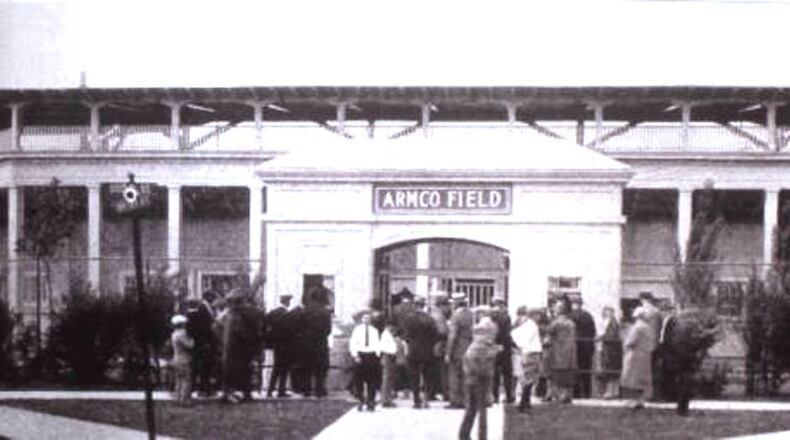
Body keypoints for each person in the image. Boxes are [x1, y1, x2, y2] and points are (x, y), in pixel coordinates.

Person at [459, 306, 501, 440]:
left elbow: (468, 361)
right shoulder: (487, 343)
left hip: (472, 376)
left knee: (471, 407)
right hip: (482, 376)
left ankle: (464, 434)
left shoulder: (473, 347)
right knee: (482, 408)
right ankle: (482, 436)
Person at [403, 296, 439, 409]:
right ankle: (426, 399)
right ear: (424, 305)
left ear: (414, 305)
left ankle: (416, 400)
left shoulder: (409, 318)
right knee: (428, 376)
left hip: (413, 350)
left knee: (414, 376)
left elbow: (406, 334)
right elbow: (435, 335)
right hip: (427, 351)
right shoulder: (430, 319)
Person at [620, 307, 656, 410]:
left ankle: (633, 400)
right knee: (642, 378)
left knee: (632, 377)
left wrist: (625, 342)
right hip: (645, 355)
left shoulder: (637, 328)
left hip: (634, 355)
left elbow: (630, 341)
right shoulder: (648, 328)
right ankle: (641, 399)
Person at [301, 287, 333, 397]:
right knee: (320, 368)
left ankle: (306, 390)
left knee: (306, 368)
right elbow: (328, 330)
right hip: (320, 343)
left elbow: (299, 327)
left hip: (306, 344)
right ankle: (319, 390)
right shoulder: (325, 312)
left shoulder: (304, 311)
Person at [510, 306, 543, 413]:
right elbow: (524, 339)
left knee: (529, 378)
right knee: (529, 379)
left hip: (527, 352)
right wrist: (522, 345)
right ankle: (523, 404)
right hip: (532, 352)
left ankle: (526, 403)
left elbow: (514, 333)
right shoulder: (532, 326)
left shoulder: (527, 325)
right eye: (538, 315)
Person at [445, 292, 474, 409]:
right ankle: (466, 400)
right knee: (466, 375)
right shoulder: (470, 314)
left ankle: (455, 401)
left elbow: (453, 335)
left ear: (456, 303)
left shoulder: (456, 316)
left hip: (457, 350)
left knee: (454, 375)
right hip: (468, 348)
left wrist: (448, 352)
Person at [186, 290, 217, 398]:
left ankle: (204, 388)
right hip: (204, 343)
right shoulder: (203, 310)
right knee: (204, 367)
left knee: (205, 367)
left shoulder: (204, 308)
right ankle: (203, 389)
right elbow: (204, 327)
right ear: (210, 298)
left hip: (204, 342)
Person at [349, 310, 382, 411]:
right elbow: (353, 343)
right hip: (361, 354)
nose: (366, 320)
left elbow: (377, 343)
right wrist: (355, 356)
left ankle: (371, 401)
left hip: (371, 355)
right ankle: (360, 399)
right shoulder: (357, 330)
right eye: (364, 318)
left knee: (371, 380)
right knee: (359, 379)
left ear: (370, 320)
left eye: (368, 318)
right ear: (361, 320)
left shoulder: (374, 331)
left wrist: (377, 355)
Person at [546, 297, 577, 404]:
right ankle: (567, 395)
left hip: (558, 351)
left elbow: (548, 334)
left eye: (557, 307)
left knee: (558, 374)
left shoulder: (556, 323)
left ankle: (559, 395)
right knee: (568, 374)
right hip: (570, 352)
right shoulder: (571, 323)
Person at [265, 294, 294, 398]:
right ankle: (281, 390)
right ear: (287, 302)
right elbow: (290, 330)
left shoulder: (273, 312)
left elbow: (265, 324)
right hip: (286, 344)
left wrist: (270, 337)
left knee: (276, 368)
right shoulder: (287, 314)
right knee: (284, 368)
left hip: (276, 344)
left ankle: (270, 390)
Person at [637, 291, 663, 399]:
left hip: (645, 344)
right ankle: (654, 394)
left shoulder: (644, 312)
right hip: (654, 343)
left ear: (644, 300)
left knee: (645, 370)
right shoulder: (657, 312)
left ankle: (647, 394)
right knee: (653, 369)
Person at [570, 295, 596, 398]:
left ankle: (576, 393)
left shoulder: (572, 316)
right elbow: (593, 331)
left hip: (577, 346)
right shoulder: (588, 316)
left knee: (576, 370)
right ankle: (587, 393)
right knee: (586, 371)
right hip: (587, 347)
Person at [490, 295, 515, 403]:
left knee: (495, 372)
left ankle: (495, 395)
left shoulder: (493, 316)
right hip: (505, 347)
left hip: (496, 346)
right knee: (507, 373)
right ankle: (509, 395)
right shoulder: (506, 316)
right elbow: (507, 333)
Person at [427, 294, 450, 401]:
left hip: (431, 346)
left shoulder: (432, 314)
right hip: (439, 346)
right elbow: (443, 332)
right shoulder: (439, 316)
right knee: (441, 371)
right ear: (442, 305)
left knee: (432, 371)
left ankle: (431, 393)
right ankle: (444, 392)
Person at [597, 306, 622, 399]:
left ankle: (610, 392)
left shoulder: (612, 323)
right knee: (609, 370)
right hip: (609, 349)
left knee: (610, 370)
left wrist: (601, 337)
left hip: (611, 350)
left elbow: (611, 335)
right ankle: (612, 392)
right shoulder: (612, 322)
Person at [170, 314, 194, 407]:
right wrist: (192, 339)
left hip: (176, 358)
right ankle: (184, 400)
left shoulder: (174, 334)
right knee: (186, 380)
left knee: (178, 380)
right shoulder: (182, 334)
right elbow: (190, 345)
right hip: (184, 359)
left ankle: (177, 398)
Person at [378, 319, 399, 408]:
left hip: (391, 356)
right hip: (388, 356)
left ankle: (388, 398)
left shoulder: (390, 335)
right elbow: (385, 348)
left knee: (390, 378)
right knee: (387, 378)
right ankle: (385, 399)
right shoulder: (385, 335)